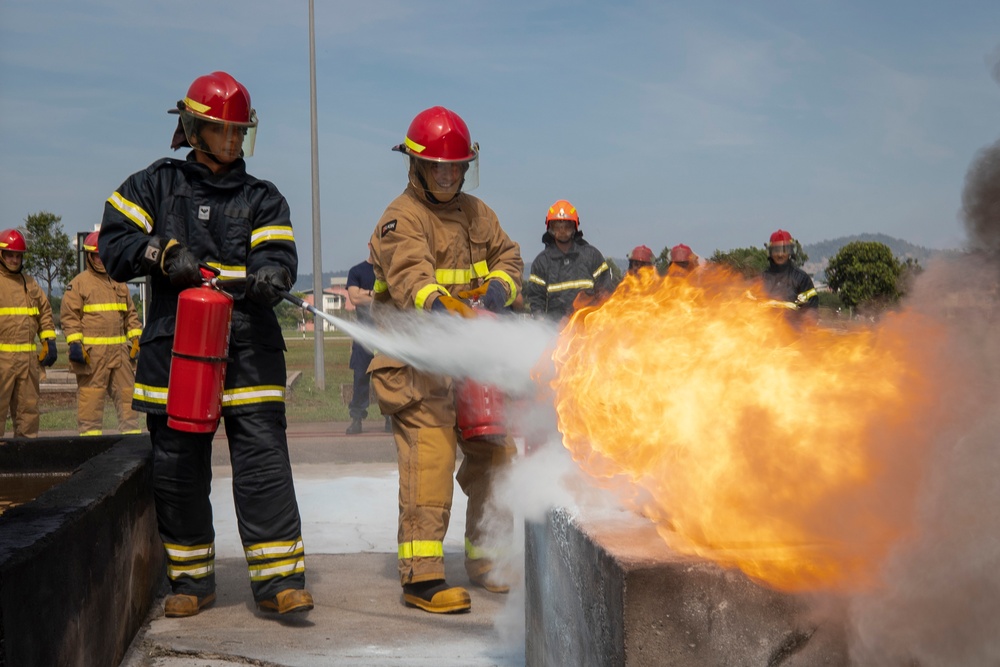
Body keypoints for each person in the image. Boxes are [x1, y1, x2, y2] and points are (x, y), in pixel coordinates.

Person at [99, 71, 313, 618]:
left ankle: (279, 581)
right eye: (224, 131)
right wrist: (164, 254)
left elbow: (280, 256)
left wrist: (270, 276)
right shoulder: (155, 186)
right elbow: (117, 243)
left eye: (241, 132)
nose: (235, 141)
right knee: (176, 466)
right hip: (177, 351)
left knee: (263, 462)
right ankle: (191, 580)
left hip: (251, 349)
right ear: (195, 130)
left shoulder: (263, 198)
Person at [368, 106, 522, 614]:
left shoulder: (480, 214)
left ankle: (489, 558)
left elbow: (510, 258)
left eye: (457, 168)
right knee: (429, 461)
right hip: (417, 367)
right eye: (438, 167)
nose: (448, 176)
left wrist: (497, 294)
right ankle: (422, 577)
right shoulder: (400, 217)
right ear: (416, 166)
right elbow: (412, 274)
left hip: (470, 366)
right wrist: (441, 304)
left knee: (496, 457)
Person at [60, 230, 143, 436]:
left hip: (120, 355)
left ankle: (131, 451)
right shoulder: (79, 284)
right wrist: (75, 345)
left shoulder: (119, 282)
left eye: (104, 254)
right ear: (89, 256)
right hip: (92, 357)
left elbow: (131, 316)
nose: (101, 259)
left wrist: (135, 338)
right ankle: (90, 450)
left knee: (128, 403)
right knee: (91, 404)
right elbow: (70, 318)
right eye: (96, 255)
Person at [0, 228, 57, 438]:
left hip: (27, 363)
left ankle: (25, 465)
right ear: (1, 255)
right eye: (10, 255)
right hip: (2, 362)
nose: (14, 260)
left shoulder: (31, 284)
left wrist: (49, 339)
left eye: (18, 255)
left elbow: (45, 313)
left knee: (28, 416)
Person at [524, 200, 615, 319]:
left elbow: (605, 292)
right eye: (557, 227)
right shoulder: (541, 262)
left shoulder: (592, 256)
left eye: (567, 226)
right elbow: (537, 300)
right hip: (555, 331)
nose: (562, 231)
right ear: (550, 228)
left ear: (575, 227)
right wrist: (542, 327)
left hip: (588, 328)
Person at [345, 243, 390, 435]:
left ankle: (390, 418)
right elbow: (354, 299)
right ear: (370, 246)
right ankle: (357, 419)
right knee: (360, 378)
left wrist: (364, 292)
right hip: (363, 336)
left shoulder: (389, 272)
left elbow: (391, 298)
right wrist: (374, 293)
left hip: (385, 335)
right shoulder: (356, 271)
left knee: (388, 378)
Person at [761, 229, 818, 316]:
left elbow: (811, 309)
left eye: (784, 250)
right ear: (770, 252)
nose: (780, 254)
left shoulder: (801, 279)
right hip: (764, 328)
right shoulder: (761, 279)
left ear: (791, 251)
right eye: (776, 250)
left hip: (794, 329)